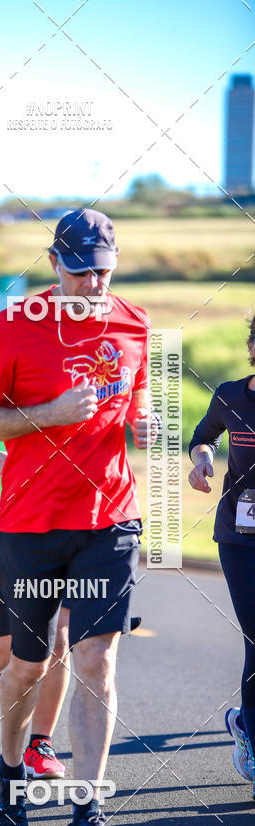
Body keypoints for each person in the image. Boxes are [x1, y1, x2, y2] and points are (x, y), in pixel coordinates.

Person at [0, 209, 157, 826]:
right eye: (80, 273)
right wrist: (48, 414)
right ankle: (10, 769)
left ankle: (86, 816)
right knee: (30, 663)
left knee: (96, 658)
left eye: (103, 272)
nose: (93, 285)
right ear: (54, 265)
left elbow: (136, 404)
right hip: (30, 522)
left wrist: (145, 425)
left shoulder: (135, 324)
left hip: (110, 518)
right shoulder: (16, 325)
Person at [0, 440, 69, 779]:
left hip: (56, 540)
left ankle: (40, 744)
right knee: (3, 650)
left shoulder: (73, 410)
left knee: (57, 643)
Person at [188, 315, 255, 800]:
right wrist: (203, 460)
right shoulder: (231, 396)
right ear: (252, 348)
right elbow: (203, 436)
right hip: (240, 536)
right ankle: (252, 738)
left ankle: (243, 722)